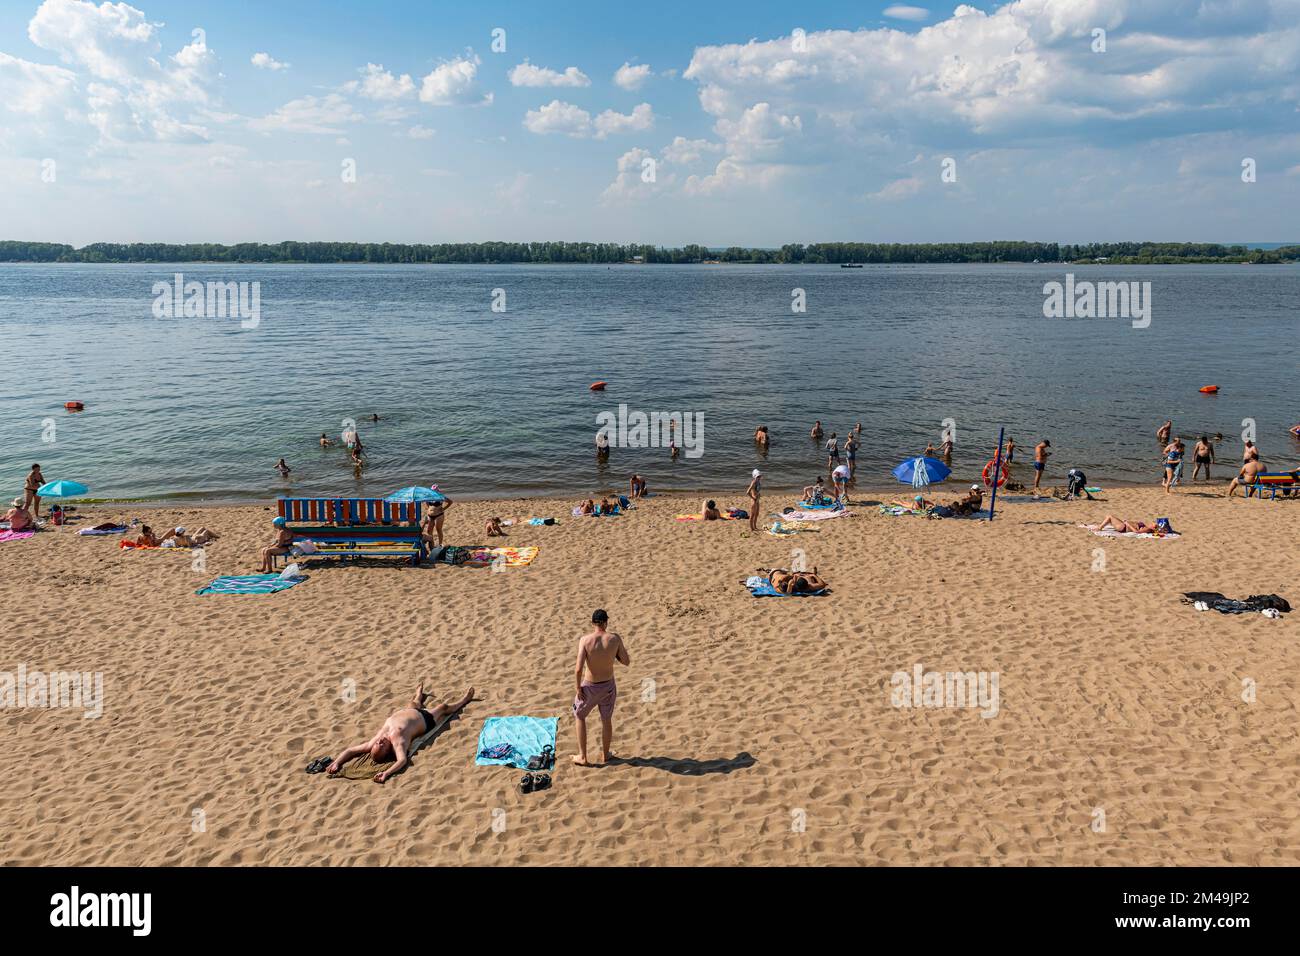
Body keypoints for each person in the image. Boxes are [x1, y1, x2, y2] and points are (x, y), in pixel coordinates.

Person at [327, 683, 474, 784]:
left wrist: (337, 763)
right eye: (382, 746)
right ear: (388, 749)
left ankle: (418, 694)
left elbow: (350, 750)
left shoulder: (374, 742)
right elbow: (402, 760)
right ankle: (464, 700)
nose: (380, 742)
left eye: (378, 744)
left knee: (414, 703)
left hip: (407, 711)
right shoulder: (398, 742)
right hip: (425, 719)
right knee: (443, 707)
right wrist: (386, 773)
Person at [572, 609, 628, 767]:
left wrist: (578, 688)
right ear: (606, 622)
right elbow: (626, 661)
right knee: (606, 719)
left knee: (580, 716)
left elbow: (578, 669)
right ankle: (606, 754)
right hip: (608, 686)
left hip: (590, 686)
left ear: (592, 623)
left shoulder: (585, 640)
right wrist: (613, 653)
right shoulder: (615, 639)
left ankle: (583, 756)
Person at [761, 566, 828, 595]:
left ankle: (810, 576)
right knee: (802, 575)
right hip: (775, 572)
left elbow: (788, 593)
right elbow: (823, 584)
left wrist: (790, 584)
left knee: (798, 574)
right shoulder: (809, 587)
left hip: (775, 572)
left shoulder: (783, 584)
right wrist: (813, 575)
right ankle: (811, 576)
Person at [1097, 515, 1174, 535]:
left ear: (1155, 528)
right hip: (1124, 525)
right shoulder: (1148, 527)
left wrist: (1128, 524)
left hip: (1124, 527)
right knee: (1110, 518)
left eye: (1155, 524)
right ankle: (1100, 527)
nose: (1154, 523)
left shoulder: (1148, 529)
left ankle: (1099, 528)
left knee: (1109, 516)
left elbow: (1137, 532)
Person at [746, 469, 761, 533]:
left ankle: (755, 526)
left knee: (757, 514)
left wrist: (759, 494)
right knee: (752, 515)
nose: (759, 477)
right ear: (755, 476)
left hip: (757, 500)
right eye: (758, 476)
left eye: (760, 476)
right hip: (754, 501)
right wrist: (753, 497)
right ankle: (752, 528)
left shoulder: (758, 482)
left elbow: (757, 490)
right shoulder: (753, 482)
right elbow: (747, 492)